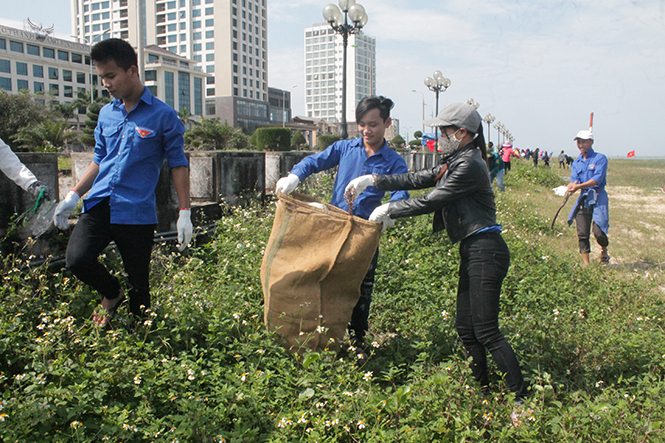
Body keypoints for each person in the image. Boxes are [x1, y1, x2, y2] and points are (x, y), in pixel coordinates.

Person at [346, 102, 528, 401]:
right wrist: (375, 180)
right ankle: (483, 392)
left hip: (486, 250)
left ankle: (520, 399)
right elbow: (418, 178)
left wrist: (388, 208)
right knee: (466, 329)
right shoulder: (455, 159)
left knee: (486, 331)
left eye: (444, 130)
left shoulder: (469, 164)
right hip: (473, 250)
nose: (439, 135)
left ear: (462, 132)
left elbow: (432, 200)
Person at [53, 39, 192, 326]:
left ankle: (143, 340)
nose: (106, 83)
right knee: (77, 260)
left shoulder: (163, 115)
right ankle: (112, 293)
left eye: (111, 76)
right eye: (102, 77)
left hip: (136, 211)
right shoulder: (106, 114)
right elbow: (99, 158)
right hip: (101, 203)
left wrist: (185, 211)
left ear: (132, 71)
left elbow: (178, 163)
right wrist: (74, 195)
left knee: (139, 285)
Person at [275, 96, 409, 353]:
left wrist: (390, 210)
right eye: (361, 124)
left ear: (386, 123)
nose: (367, 131)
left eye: (373, 124)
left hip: (365, 232)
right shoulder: (346, 148)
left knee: (361, 286)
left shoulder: (393, 161)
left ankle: (357, 339)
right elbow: (314, 161)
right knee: (324, 278)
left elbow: (401, 190)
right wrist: (295, 176)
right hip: (333, 226)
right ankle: (321, 336)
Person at [566, 130, 609, 266]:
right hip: (584, 198)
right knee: (582, 233)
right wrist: (571, 186)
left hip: (598, 197)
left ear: (591, 142)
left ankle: (604, 251)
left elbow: (597, 179)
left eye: (584, 141)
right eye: (579, 141)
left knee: (599, 231)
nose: (581, 144)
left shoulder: (600, 158)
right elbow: (574, 179)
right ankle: (586, 264)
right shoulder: (577, 162)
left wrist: (579, 186)